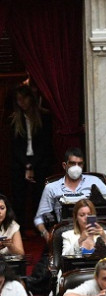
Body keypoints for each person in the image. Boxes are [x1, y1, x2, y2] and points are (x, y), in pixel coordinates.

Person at [33, 148, 106, 234]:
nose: (76, 167)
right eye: (72, 163)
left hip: (91, 230)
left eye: (80, 164)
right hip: (65, 231)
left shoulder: (95, 181)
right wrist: (47, 236)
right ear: (65, 165)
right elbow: (39, 218)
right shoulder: (51, 187)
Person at [9, 84, 52, 227]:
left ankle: (39, 227)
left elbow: (45, 144)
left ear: (30, 99)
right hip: (20, 163)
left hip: (40, 162)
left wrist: (32, 164)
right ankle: (19, 229)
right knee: (18, 197)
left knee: (39, 196)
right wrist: (27, 165)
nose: (22, 102)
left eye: (24, 99)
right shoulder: (14, 120)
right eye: (18, 100)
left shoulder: (43, 117)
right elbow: (15, 146)